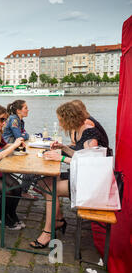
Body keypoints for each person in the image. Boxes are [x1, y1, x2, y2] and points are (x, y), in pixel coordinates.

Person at [29, 102, 111, 249]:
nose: (60, 123)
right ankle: (58, 219)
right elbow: (81, 155)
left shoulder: (90, 135)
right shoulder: (81, 130)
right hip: (85, 177)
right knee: (44, 183)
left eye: (61, 120)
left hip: (93, 185)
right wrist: (64, 148)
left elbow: (91, 164)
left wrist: (60, 158)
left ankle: (48, 232)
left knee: (49, 188)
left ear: (69, 119)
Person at [2, 100, 36, 200]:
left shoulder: (19, 120)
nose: (28, 110)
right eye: (25, 108)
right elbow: (19, 136)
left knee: (31, 162)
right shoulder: (14, 120)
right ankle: (23, 191)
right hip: (7, 149)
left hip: (13, 148)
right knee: (29, 166)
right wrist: (24, 136)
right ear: (18, 110)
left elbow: (24, 135)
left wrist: (24, 136)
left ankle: (23, 189)